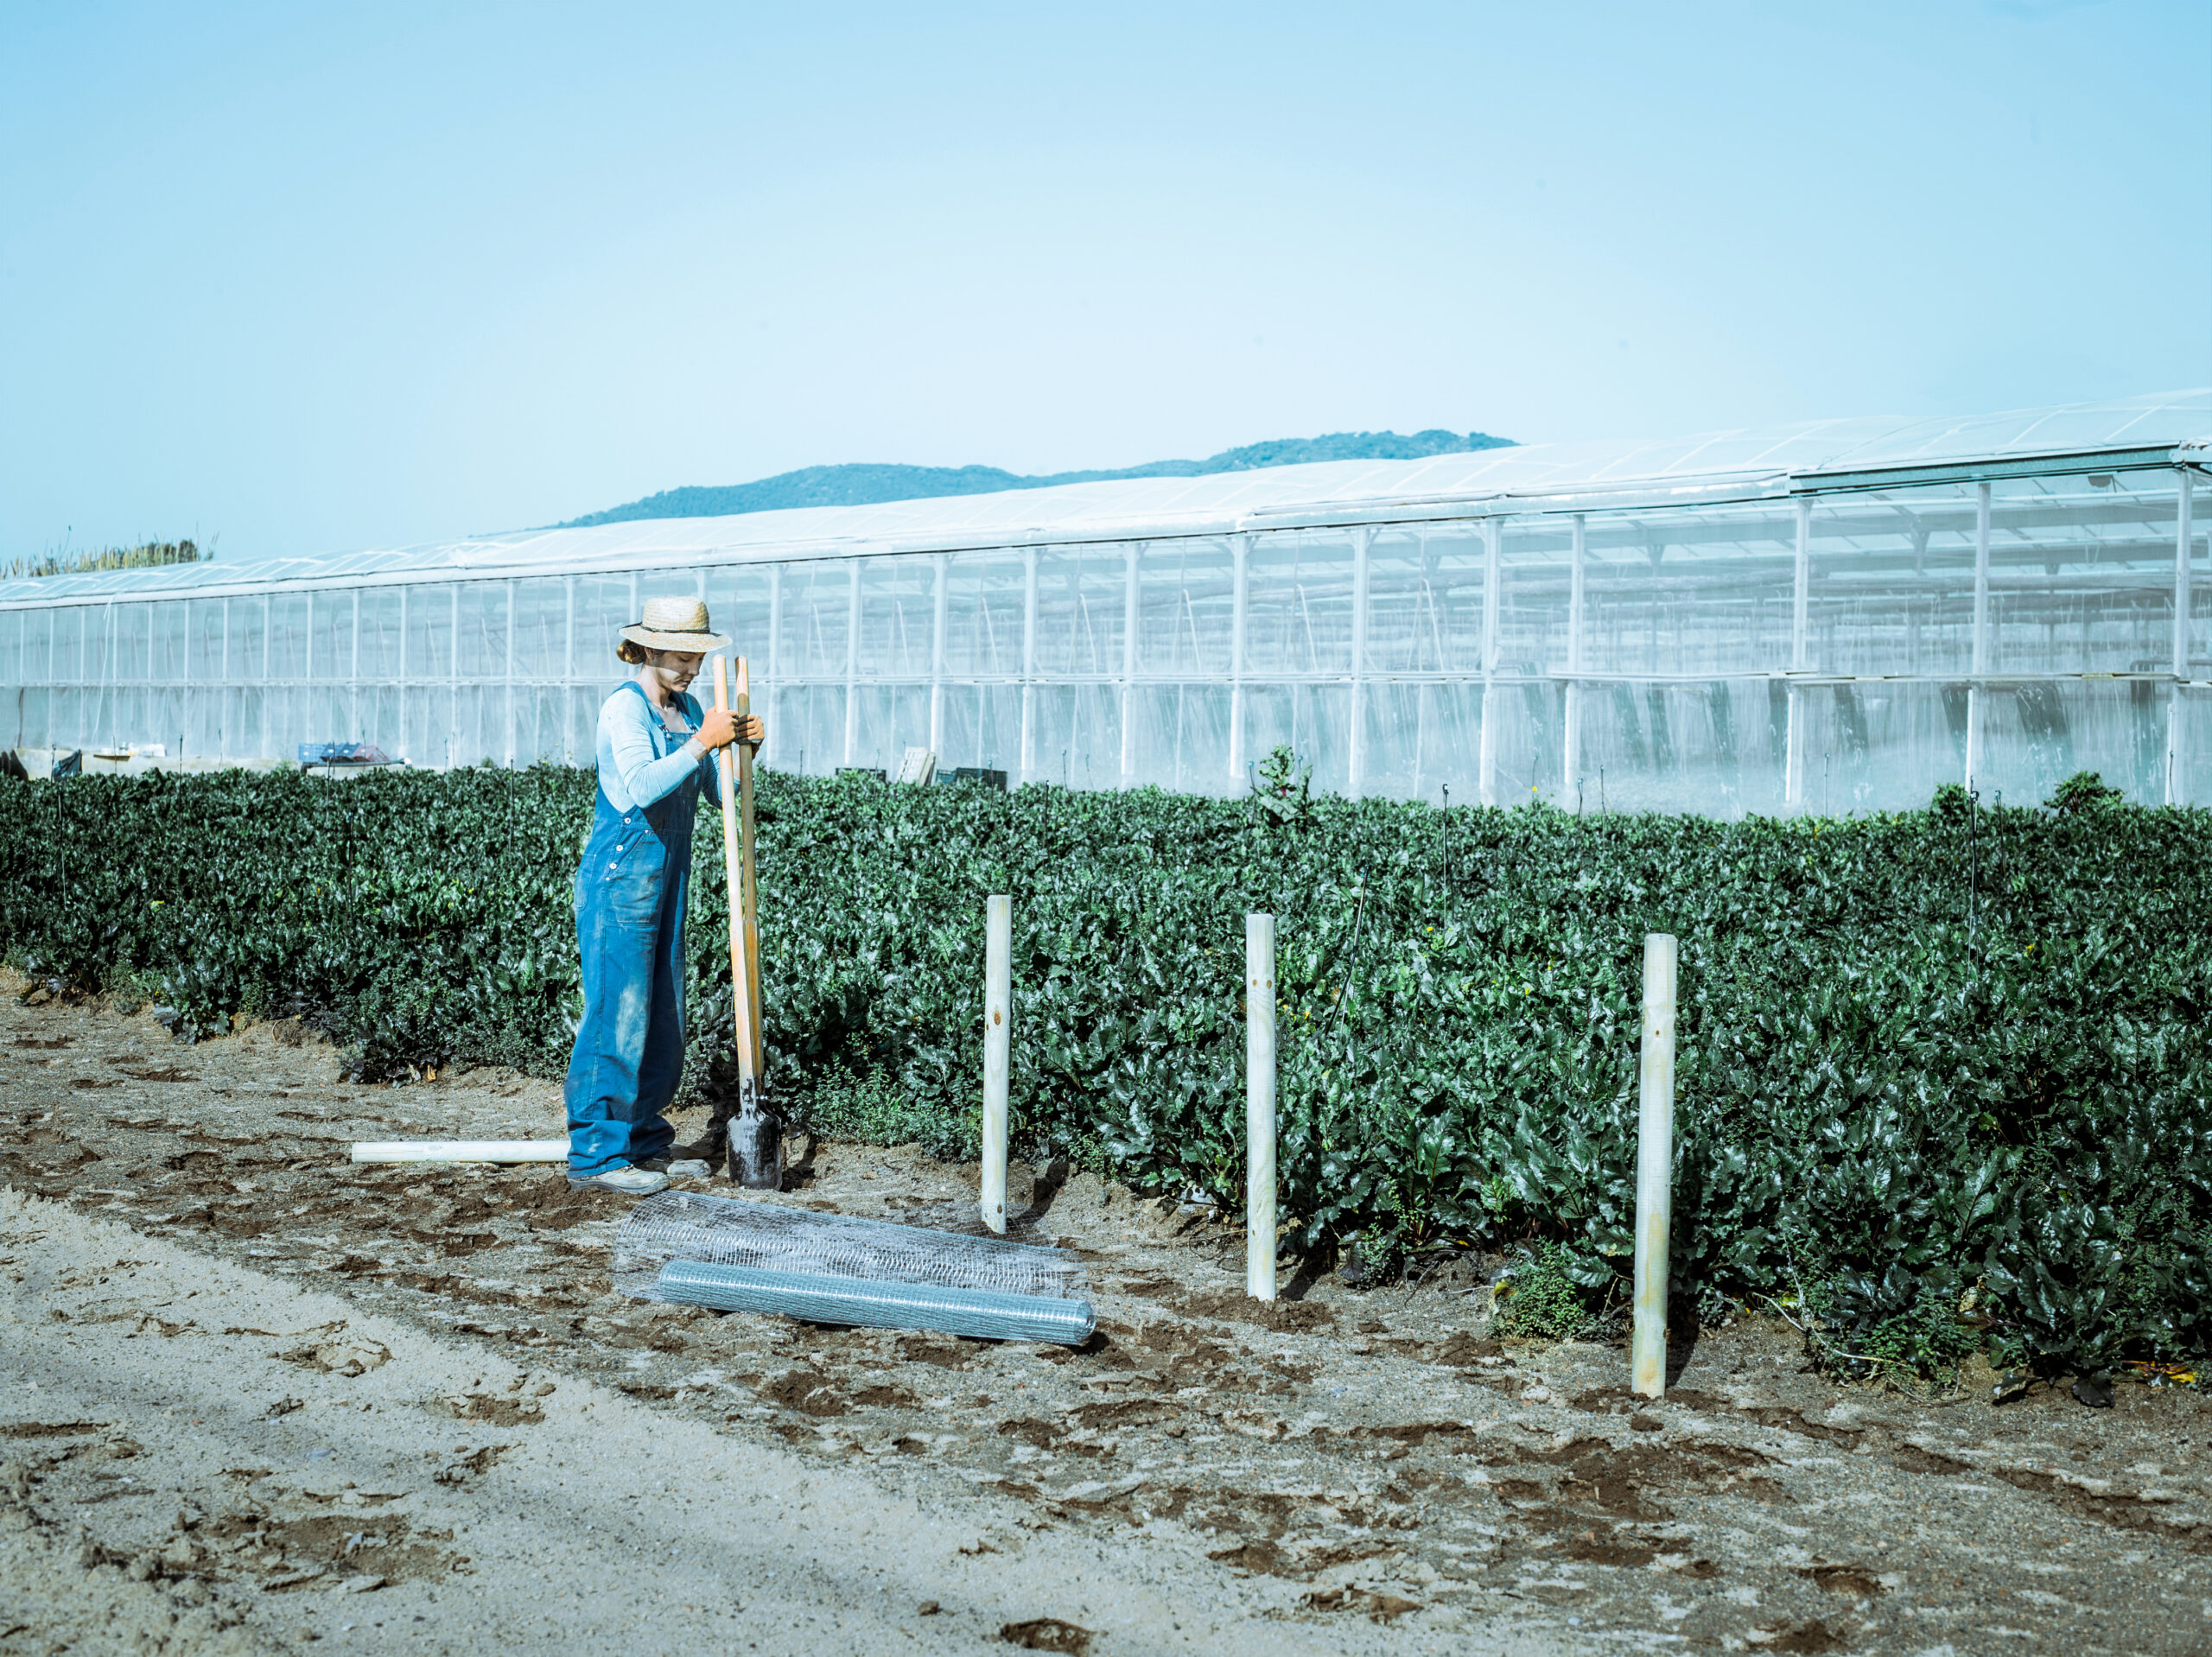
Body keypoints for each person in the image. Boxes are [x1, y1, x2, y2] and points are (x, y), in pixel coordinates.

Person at [565, 596, 763, 1195]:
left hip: (668, 875)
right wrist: (704, 741)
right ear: (648, 650)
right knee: (616, 1014)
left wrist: (743, 750)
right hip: (620, 877)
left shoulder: (689, 709)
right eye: (682, 658)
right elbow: (644, 786)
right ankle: (597, 1155)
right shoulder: (623, 710)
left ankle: (644, 1140)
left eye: (699, 658)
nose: (693, 670)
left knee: (664, 1014)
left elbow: (713, 793)